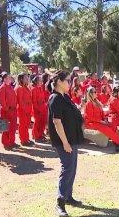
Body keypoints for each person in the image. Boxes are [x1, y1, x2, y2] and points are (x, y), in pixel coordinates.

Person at [47, 71, 84, 216]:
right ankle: (60, 203)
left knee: (72, 168)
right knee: (67, 168)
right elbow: (57, 122)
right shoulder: (55, 98)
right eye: (67, 80)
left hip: (71, 138)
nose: (70, 83)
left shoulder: (65, 97)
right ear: (59, 82)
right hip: (63, 141)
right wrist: (65, 142)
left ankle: (68, 196)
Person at [84, 87, 119, 152]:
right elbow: (90, 117)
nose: (96, 93)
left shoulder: (97, 102)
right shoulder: (89, 104)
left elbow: (102, 113)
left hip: (99, 121)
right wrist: (102, 121)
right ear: (90, 94)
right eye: (95, 92)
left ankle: (118, 142)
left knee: (113, 125)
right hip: (91, 123)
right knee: (106, 128)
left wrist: (104, 120)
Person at [0, 73, 19, 150]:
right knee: (6, 128)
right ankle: (6, 143)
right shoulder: (2, 88)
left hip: (13, 110)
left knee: (13, 127)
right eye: (9, 78)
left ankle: (11, 142)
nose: (10, 79)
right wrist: (7, 108)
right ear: (4, 79)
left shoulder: (10, 87)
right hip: (6, 111)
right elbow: (2, 100)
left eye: (10, 78)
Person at [15, 73, 34, 146]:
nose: (27, 79)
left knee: (27, 124)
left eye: (27, 78)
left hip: (28, 109)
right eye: (26, 78)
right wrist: (24, 109)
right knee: (23, 125)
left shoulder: (27, 87)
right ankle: (23, 140)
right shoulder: (19, 88)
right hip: (23, 110)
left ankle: (26, 138)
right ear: (21, 79)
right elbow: (20, 100)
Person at [31, 76, 48, 143]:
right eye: (40, 81)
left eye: (41, 80)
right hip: (37, 108)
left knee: (42, 122)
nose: (41, 82)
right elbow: (34, 101)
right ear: (36, 81)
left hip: (42, 107)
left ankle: (40, 135)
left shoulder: (40, 88)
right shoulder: (34, 89)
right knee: (37, 122)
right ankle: (36, 136)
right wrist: (37, 109)